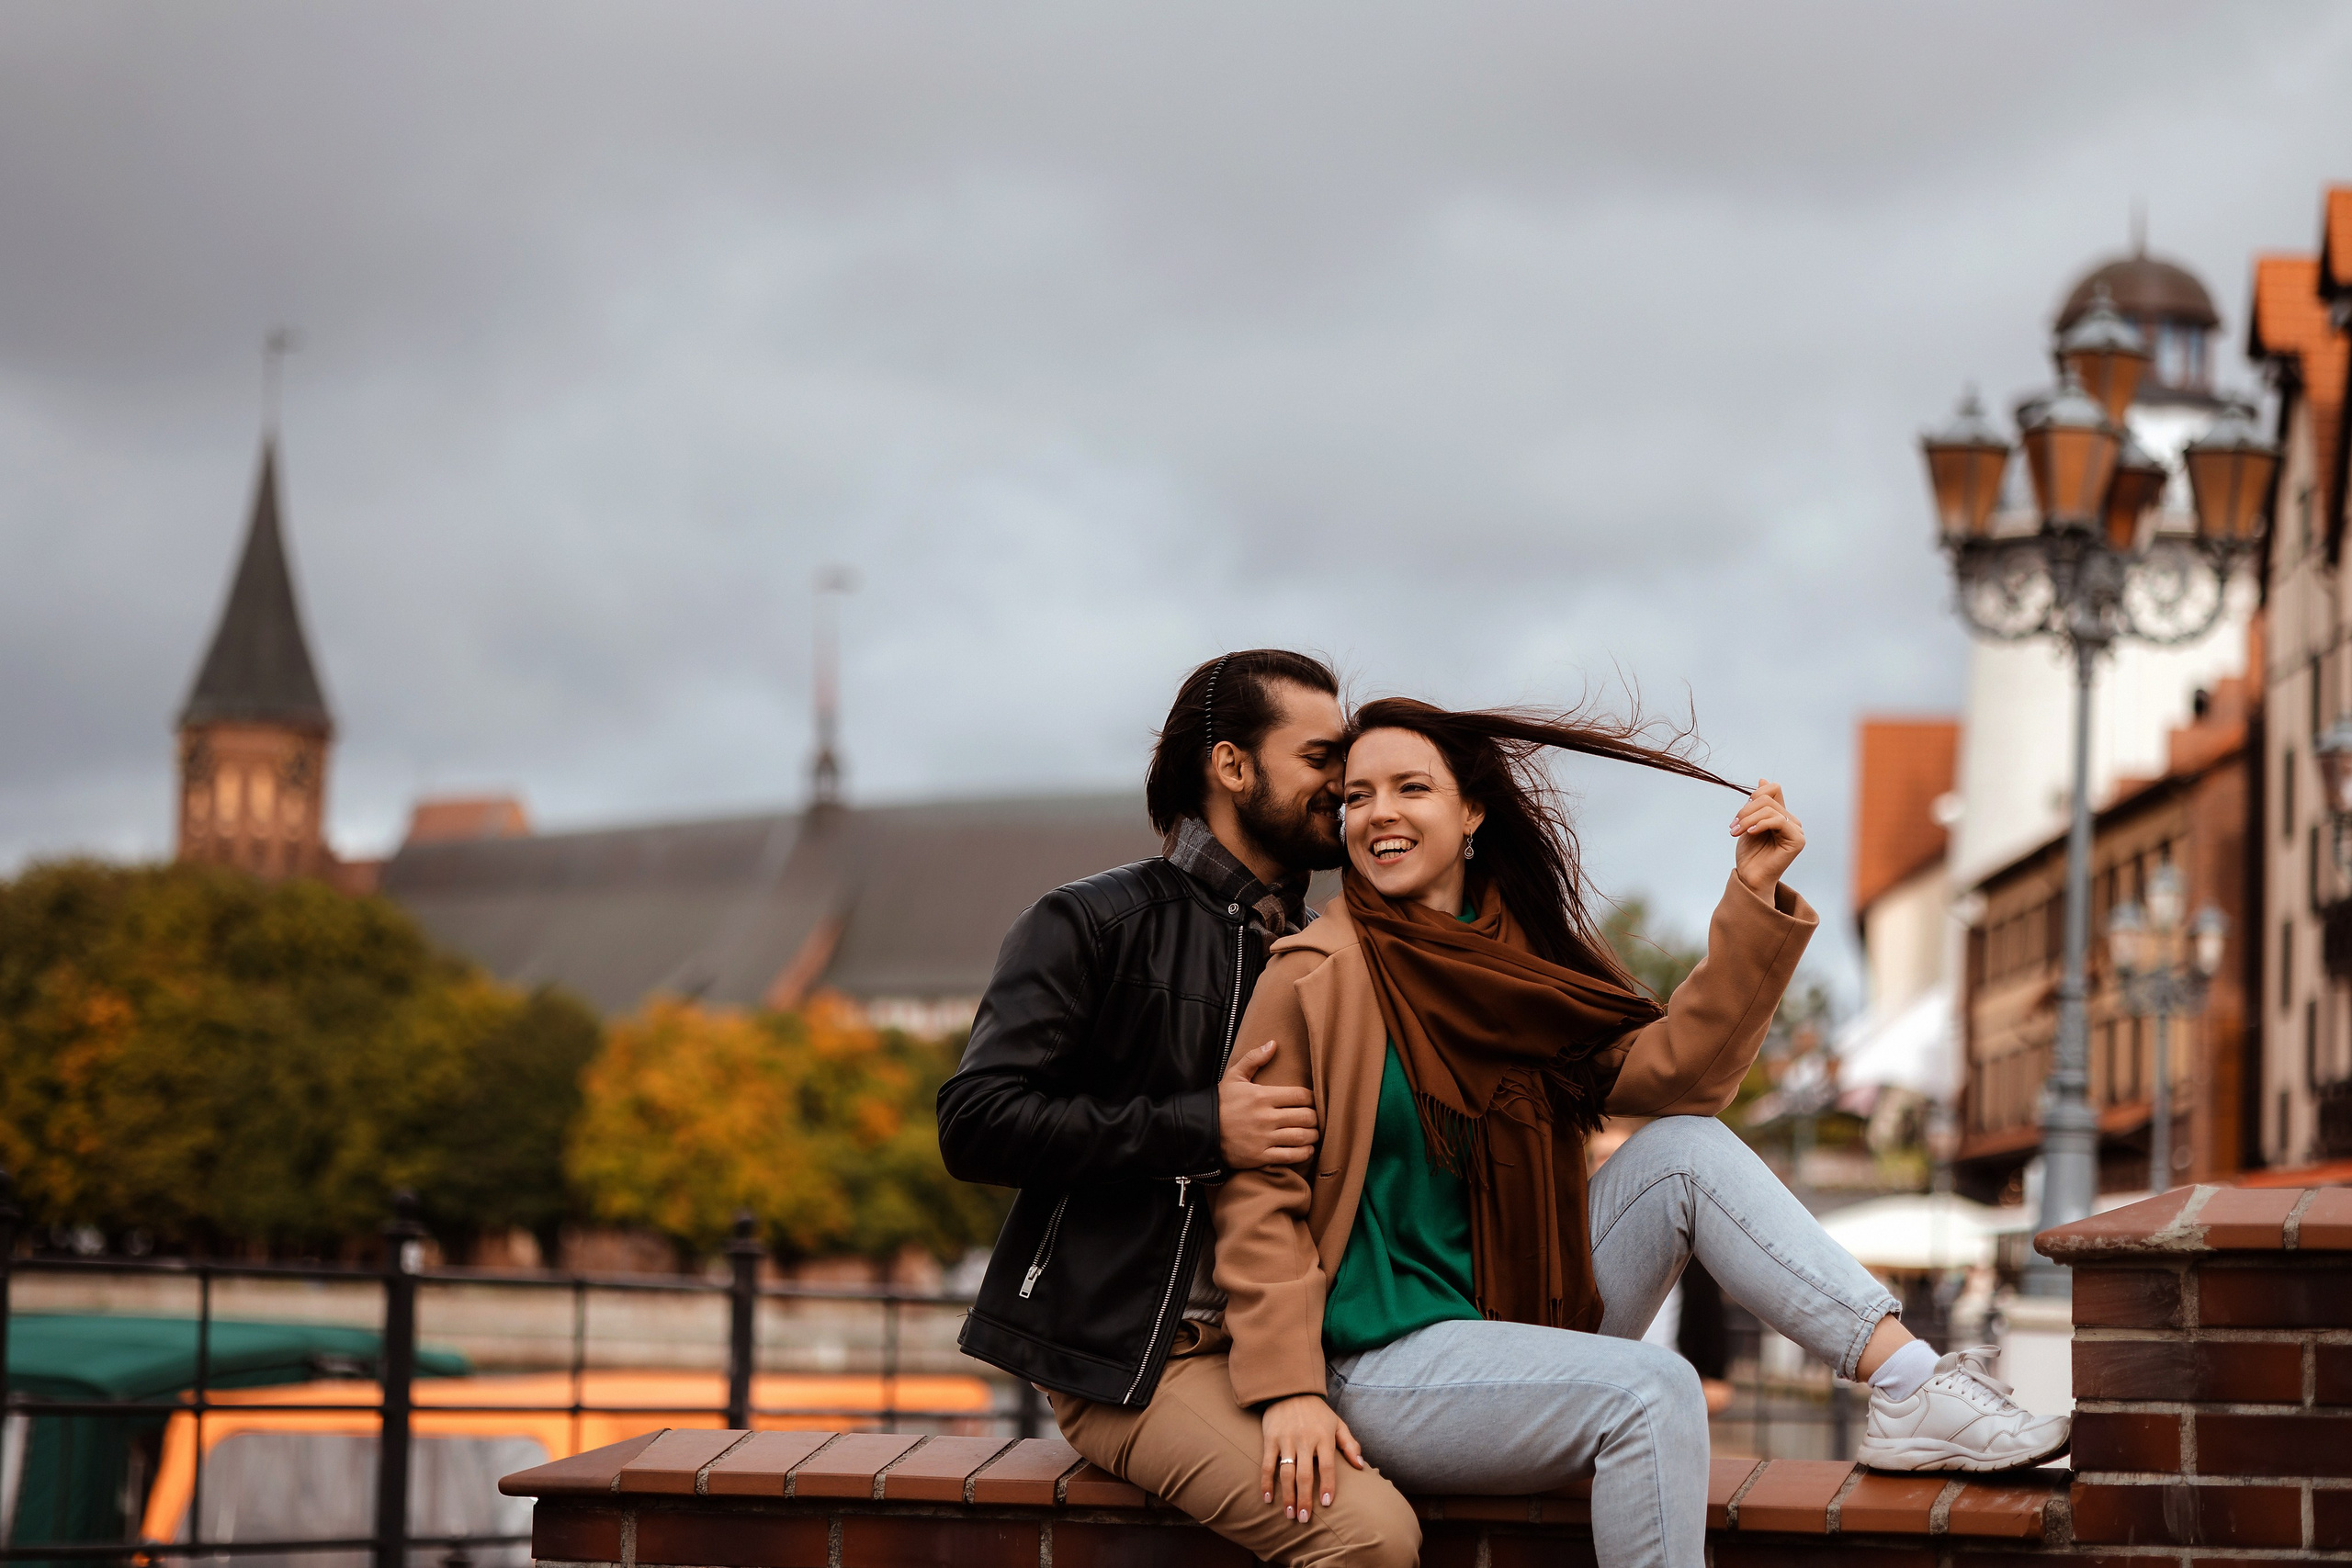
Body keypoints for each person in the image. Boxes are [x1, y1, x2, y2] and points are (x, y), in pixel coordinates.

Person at [1194, 698, 2069, 1568]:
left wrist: (1753, 895)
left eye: (1409, 787)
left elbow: (1679, 1074)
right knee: (1653, 1389)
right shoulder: (1313, 977)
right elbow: (1259, 1197)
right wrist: (1288, 1389)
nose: (1376, 813)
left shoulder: (1521, 963)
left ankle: (1912, 1385)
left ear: (1471, 812)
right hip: (1381, 1359)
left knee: (1684, 1150)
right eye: (1356, 796)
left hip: (1522, 1314)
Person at [936, 650, 1352, 1415]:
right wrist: (1203, 1126)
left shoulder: (1325, 947)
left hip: (1301, 1349)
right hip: (1140, 1358)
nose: (1344, 783)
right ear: (1231, 765)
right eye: (1319, 756)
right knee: (1365, 1534)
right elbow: (975, 1124)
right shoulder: (1093, 922)